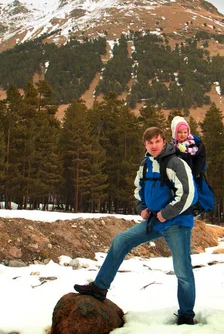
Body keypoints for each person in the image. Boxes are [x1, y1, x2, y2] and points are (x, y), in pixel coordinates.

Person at [74, 126, 198, 325]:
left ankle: (186, 315)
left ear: (164, 141)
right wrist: (142, 208)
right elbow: (138, 188)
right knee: (121, 240)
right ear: (145, 145)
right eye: (150, 143)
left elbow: (188, 194)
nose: (154, 145)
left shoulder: (176, 163)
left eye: (157, 141)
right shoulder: (145, 164)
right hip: (154, 221)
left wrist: (166, 214)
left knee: (182, 270)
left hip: (177, 222)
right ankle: (99, 288)